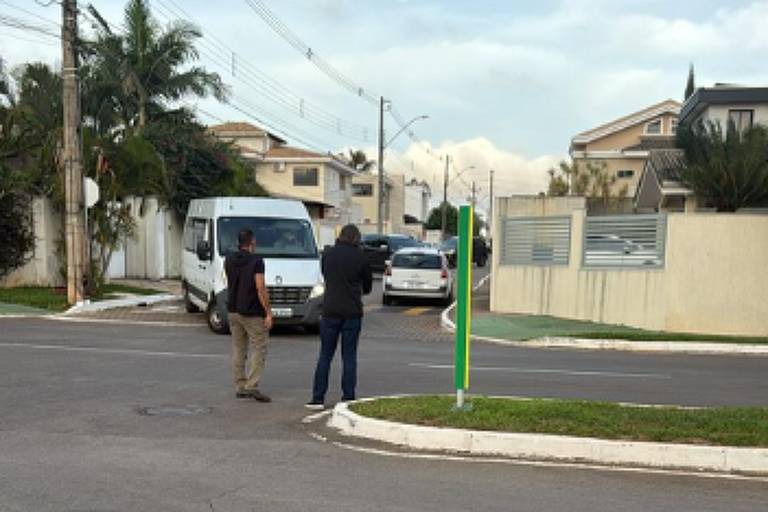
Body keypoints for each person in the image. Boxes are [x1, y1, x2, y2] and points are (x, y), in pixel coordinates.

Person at [306, 224, 372, 409]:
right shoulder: (361, 257)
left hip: (330, 310)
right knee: (349, 356)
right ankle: (348, 396)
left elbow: (326, 276)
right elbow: (367, 287)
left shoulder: (327, 255)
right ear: (356, 239)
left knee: (325, 355)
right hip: (352, 312)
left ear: (340, 236)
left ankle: (317, 397)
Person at [225, 228, 273, 402]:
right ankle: (252, 386)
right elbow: (260, 287)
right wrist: (268, 312)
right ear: (252, 242)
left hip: (233, 310)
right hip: (252, 312)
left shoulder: (229, 260)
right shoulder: (257, 261)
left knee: (239, 348)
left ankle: (240, 385)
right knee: (258, 348)